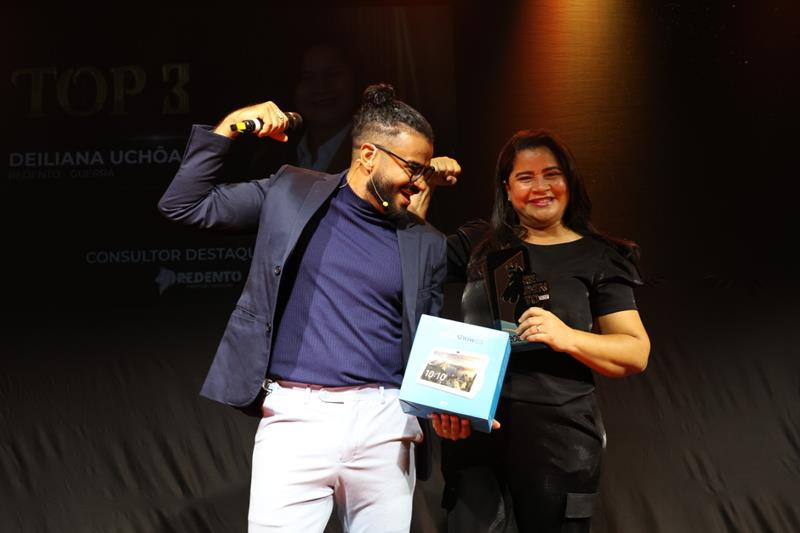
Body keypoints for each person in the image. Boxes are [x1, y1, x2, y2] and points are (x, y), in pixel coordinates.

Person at [157, 83, 459, 532]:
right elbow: (184, 205)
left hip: (386, 423)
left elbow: (424, 338)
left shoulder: (425, 241)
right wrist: (229, 128)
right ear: (369, 155)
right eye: (412, 167)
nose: (419, 181)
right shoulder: (292, 192)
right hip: (297, 417)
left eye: (424, 169)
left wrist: (450, 404)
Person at [419, 129, 651, 533]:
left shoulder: (599, 256)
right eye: (525, 177)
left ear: (569, 182)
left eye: (552, 174)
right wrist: (423, 185)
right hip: (475, 431)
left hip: (560, 437)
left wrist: (567, 336)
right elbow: (407, 254)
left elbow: (635, 352)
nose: (540, 187)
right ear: (506, 190)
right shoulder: (481, 243)